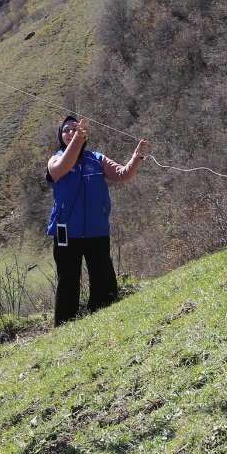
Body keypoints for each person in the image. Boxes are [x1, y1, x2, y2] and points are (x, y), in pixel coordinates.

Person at [45, 115, 148, 325]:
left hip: (97, 228)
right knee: (68, 278)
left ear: (84, 134)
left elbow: (122, 175)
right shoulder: (55, 159)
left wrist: (137, 157)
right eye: (66, 130)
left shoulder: (97, 159)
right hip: (65, 230)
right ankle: (66, 322)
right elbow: (62, 168)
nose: (70, 133)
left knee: (102, 273)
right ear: (60, 136)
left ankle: (104, 313)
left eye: (75, 129)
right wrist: (77, 141)